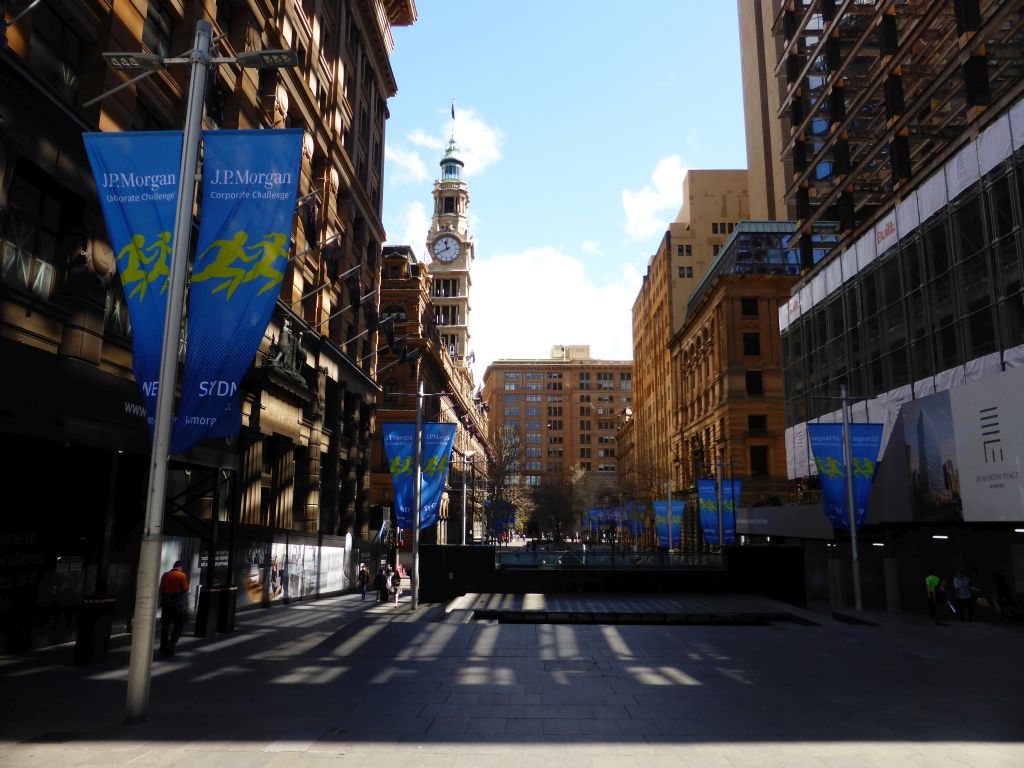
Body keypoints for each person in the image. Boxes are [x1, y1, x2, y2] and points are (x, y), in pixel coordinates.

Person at [159, 560, 189, 656]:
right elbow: (185, 588)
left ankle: (163, 646)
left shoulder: (165, 575)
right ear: (180, 567)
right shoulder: (181, 575)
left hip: (166, 604)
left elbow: (162, 589)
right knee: (179, 625)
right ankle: (170, 646)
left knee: (165, 626)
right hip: (177, 605)